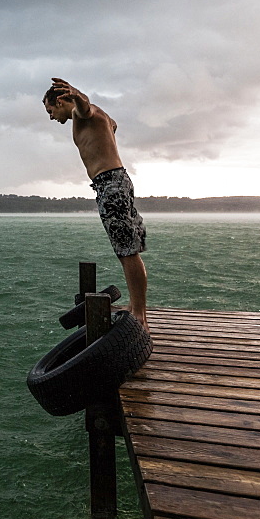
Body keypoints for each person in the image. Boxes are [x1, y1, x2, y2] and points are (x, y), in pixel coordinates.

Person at [43, 78, 148, 331]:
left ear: (60, 101)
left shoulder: (83, 114)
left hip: (111, 184)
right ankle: (137, 308)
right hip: (114, 182)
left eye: (50, 111)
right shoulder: (101, 116)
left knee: (127, 251)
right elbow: (113, 124)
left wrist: (77, 95)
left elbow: (85, 106)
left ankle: (139, 313)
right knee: (126, 251)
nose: (51, 117)